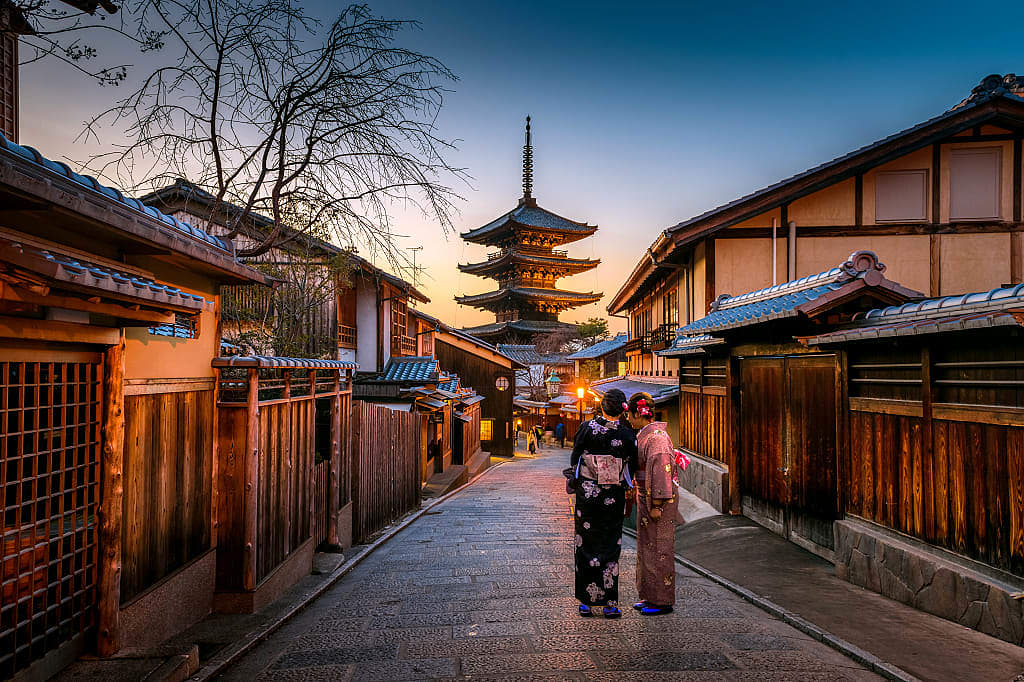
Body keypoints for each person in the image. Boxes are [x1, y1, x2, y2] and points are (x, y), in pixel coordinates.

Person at [568, 388, 637, 618]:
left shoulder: (587, 428)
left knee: (585, 544)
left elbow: (575, 457)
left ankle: (586, 602)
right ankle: (610, 603)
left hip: (588, 497)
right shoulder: (627, 435)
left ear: (602, 406)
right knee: (609, 546)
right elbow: (631, 466)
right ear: (623, 408)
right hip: (612, 497)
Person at [625, 392, 678, 615]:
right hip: (646, 496)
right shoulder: (646, 435)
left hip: (658, 500)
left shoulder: (655, 438)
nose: (627, 419)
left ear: (639, 413)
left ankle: (662, 600)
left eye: (629, 414)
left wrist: (657, 504)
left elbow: (661, 472)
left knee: (660, 548)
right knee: (647, 546)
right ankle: (649, 595)